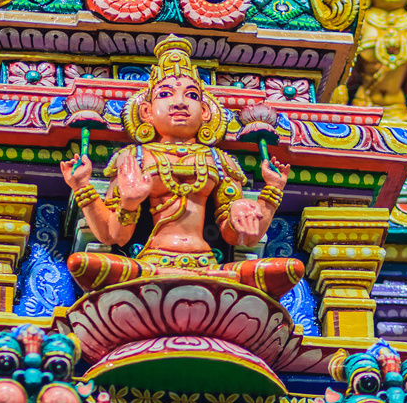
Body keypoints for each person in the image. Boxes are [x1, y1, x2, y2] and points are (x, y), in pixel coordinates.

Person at [62, 35, 303, 298]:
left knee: (289, 268)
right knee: (85, 265)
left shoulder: (219, 161)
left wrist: (270, 194)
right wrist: (92, 190)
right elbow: (114, 237)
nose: (179, 102)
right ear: (146, 112)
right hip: (151, 261)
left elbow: (241, 239)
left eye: (190, 95)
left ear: (206, 110)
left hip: (207, 263)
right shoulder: (135, 157)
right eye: (165, 94)